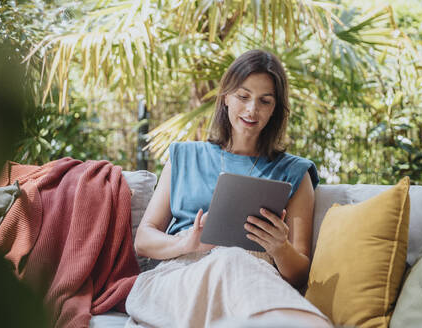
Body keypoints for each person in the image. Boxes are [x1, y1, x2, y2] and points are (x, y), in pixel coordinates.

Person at [125, 49, 331, 328]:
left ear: (276, 108)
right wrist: (186, 243)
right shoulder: (184, 156)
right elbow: (144, 240)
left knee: (232, 259)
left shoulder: (294, 172)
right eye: (243, 97)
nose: (251, 110)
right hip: (180, 275)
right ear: (225, 97)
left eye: (265, 101)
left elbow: (297, 276)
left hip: (254, 281)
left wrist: (280, 248)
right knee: (228, 259)